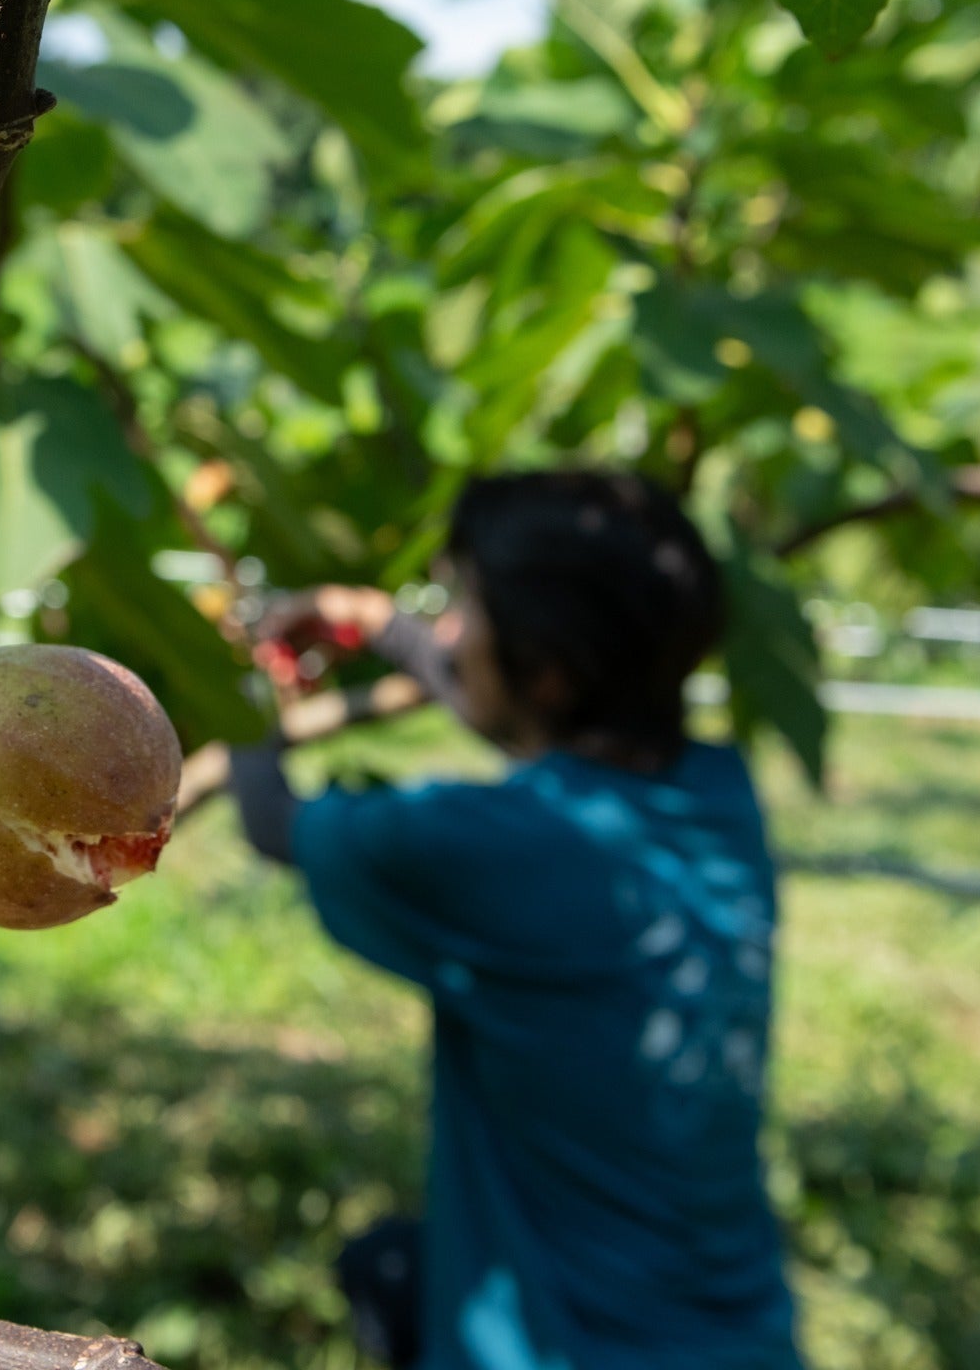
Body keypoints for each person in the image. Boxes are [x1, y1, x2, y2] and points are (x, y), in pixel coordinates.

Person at [229, 468, 800, 1370]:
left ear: (546, 671)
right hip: (738, 1336)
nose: (448, 633)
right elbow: (537, 720)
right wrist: (379, 626)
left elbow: (272, 823)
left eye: (463, 608)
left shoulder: (471, 848)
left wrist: (236, 694)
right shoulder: (718, 799)